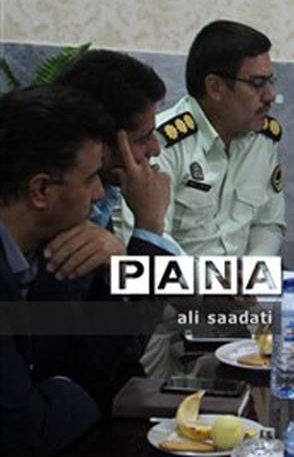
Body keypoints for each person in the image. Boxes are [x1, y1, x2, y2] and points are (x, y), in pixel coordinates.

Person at [0, 86, 169, 455]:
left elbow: (107, 364)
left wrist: (121, 264)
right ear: (41, 191)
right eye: (91, 178)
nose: (99, 194)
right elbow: (27, 433)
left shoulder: (52, 244)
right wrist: (73, 390)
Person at [116, 20, 285, 256]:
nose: (270, 96)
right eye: (257, 84)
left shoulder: (262, 139)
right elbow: (147, 238)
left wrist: (252, 272)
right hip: (179, 277)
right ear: (215, 87)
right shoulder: (159, 143)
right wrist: (212, 278)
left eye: (270, 82)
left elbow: (268, 224)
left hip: (244, 277)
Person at [49, 50, 179, 285]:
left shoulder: (104, 196)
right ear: (99, 143)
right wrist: (149, 226)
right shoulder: (60, 209)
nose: (155, 150)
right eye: (142, 138)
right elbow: (126, 310)